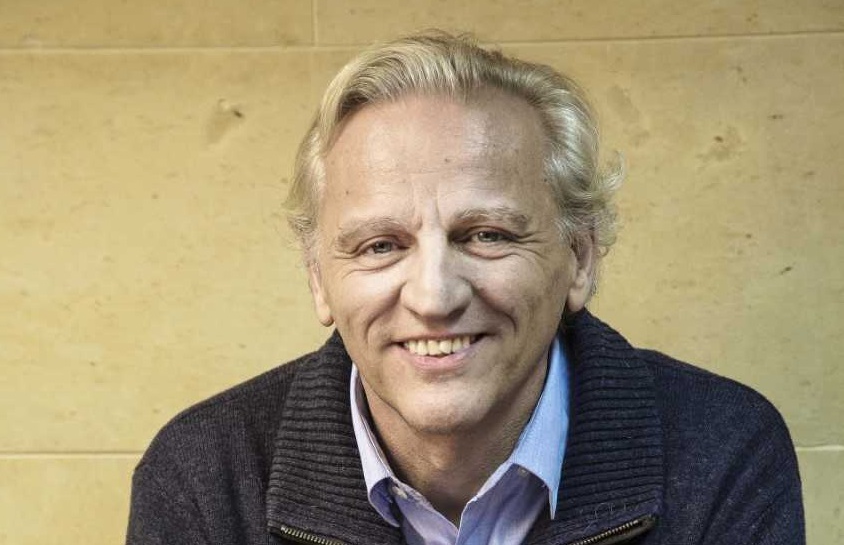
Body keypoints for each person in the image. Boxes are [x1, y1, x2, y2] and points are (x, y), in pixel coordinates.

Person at [126, 32, 805, 544]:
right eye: (381, 245)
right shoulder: (203, 475)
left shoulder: (723, 448)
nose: (434, 297)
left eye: (486, 235)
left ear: (579, 257)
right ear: (318, 280)